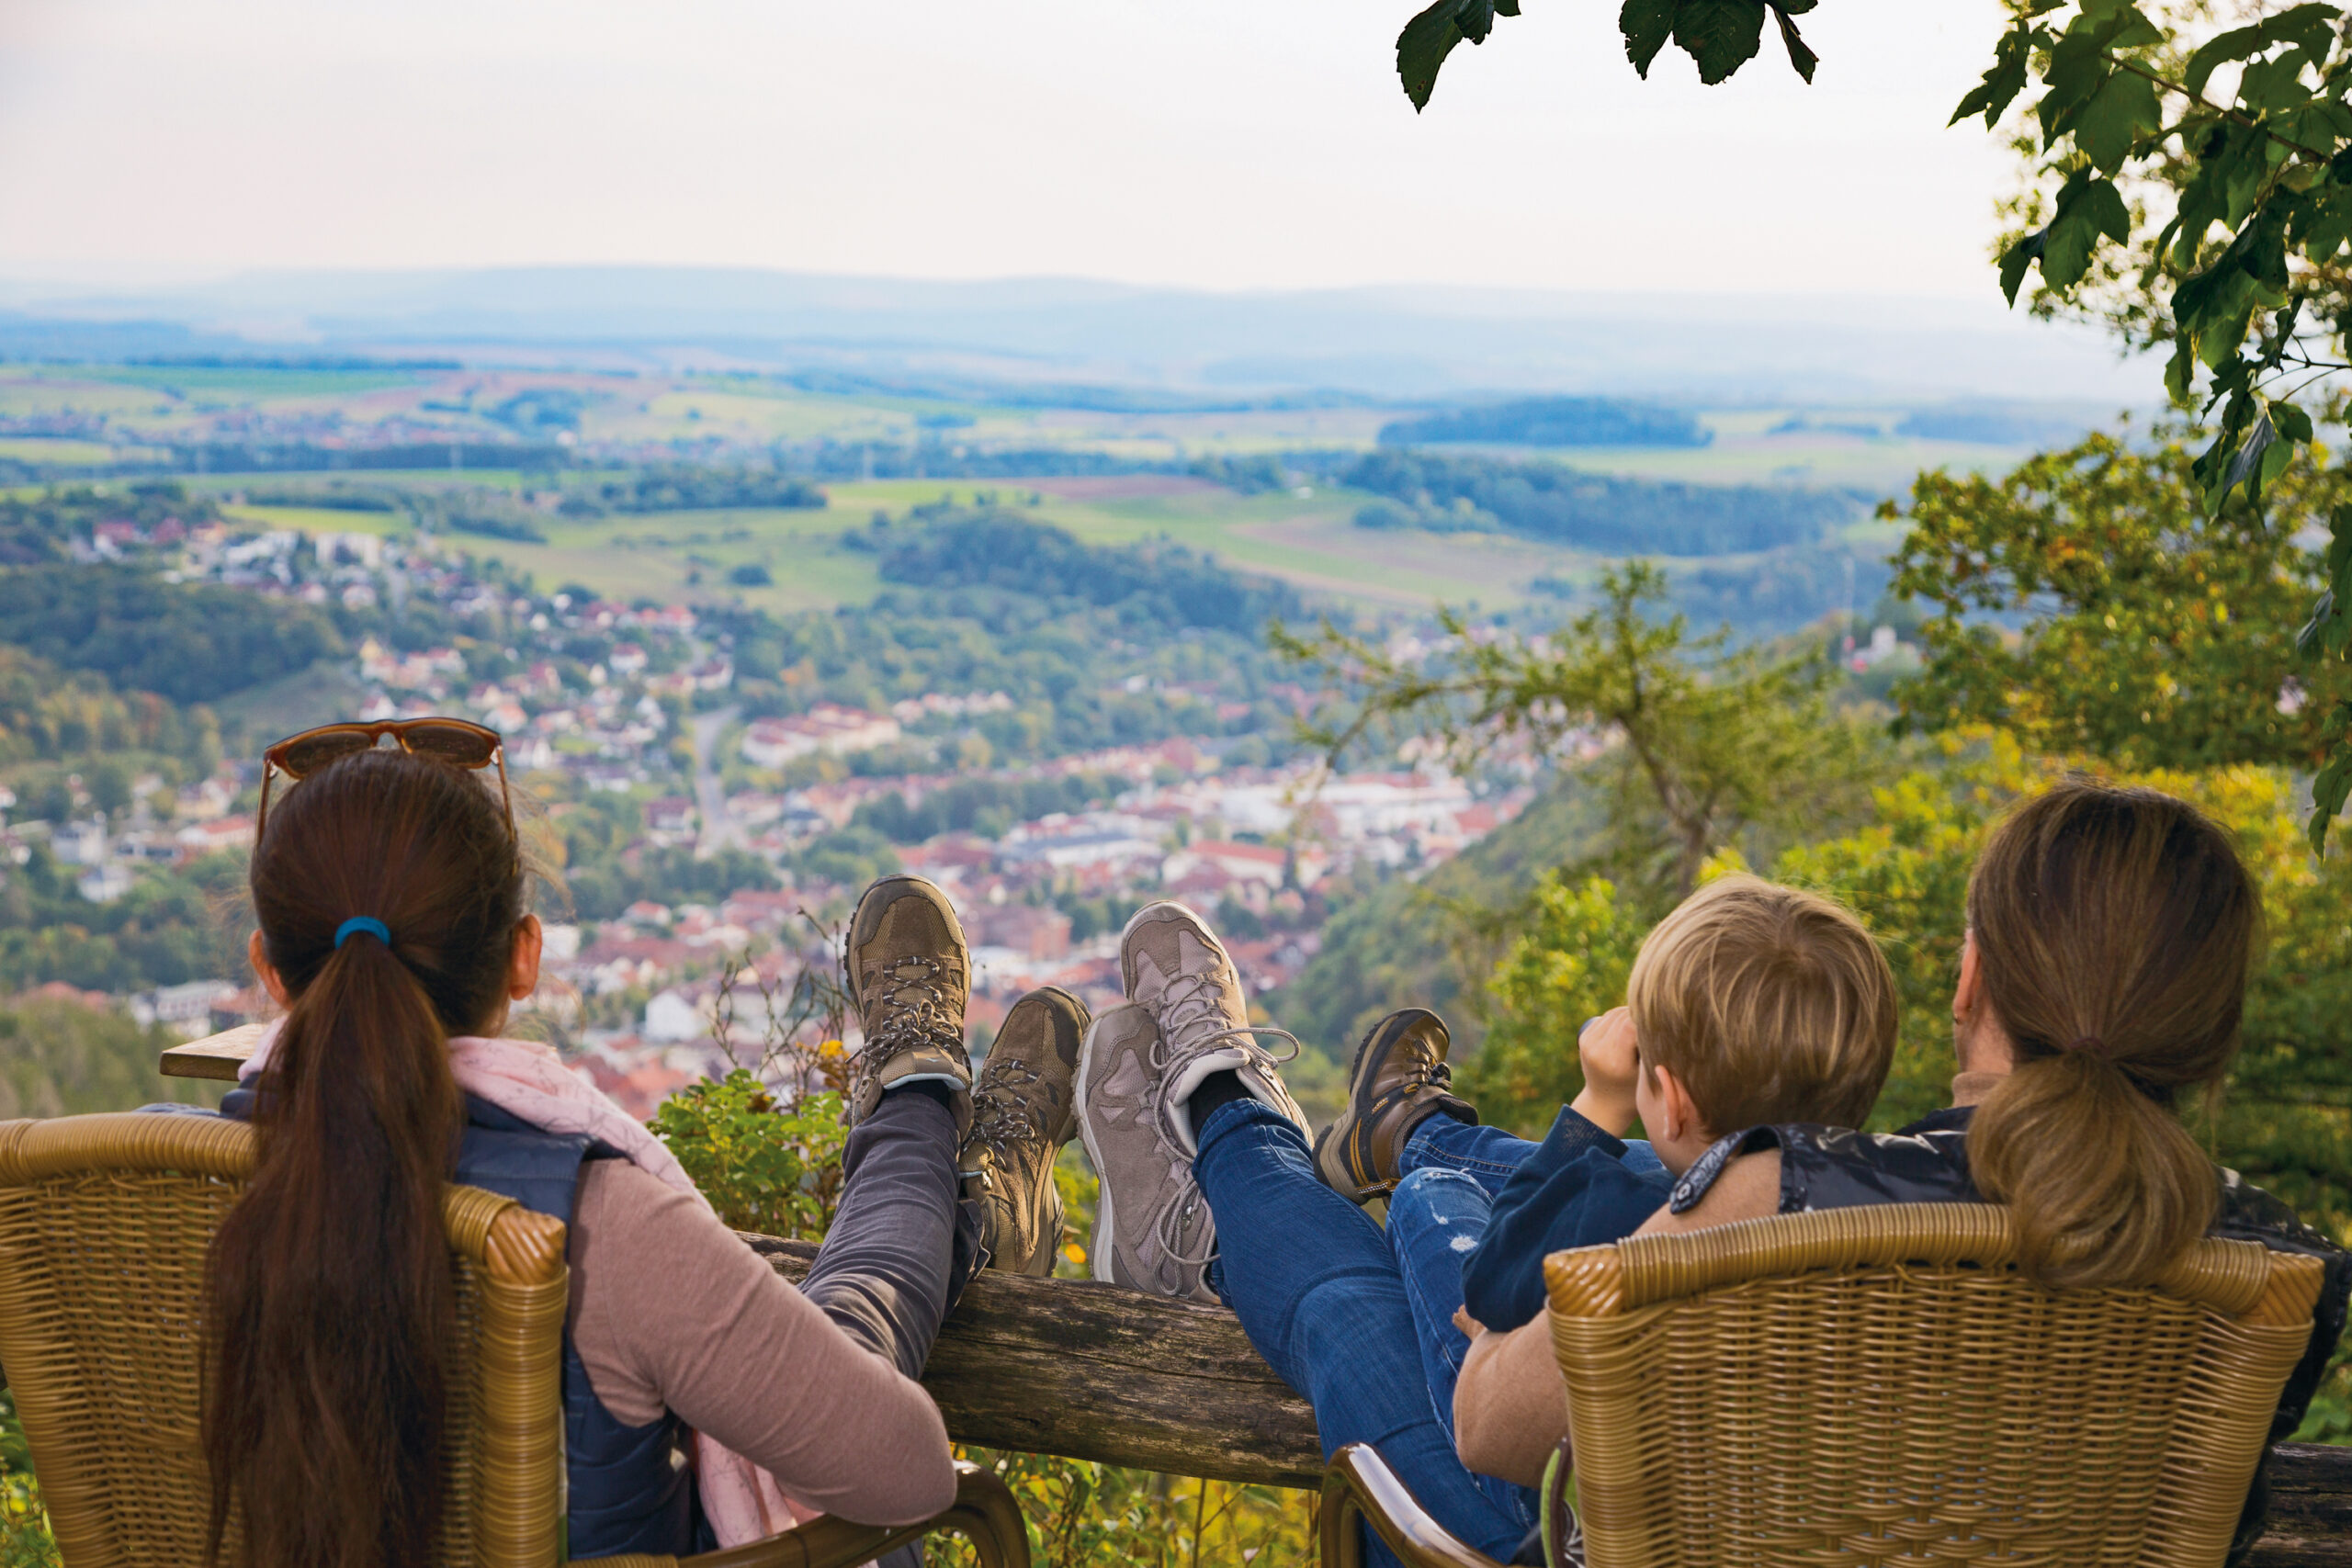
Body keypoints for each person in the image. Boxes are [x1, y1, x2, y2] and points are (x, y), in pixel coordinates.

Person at [196, 724, 1086, 1568]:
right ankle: (931, 1118)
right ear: (522, 957)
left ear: (269, 972)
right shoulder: (593, 1228)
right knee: (849, 1312)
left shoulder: (135, 1189)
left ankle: (936, 1126)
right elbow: (907, 1472)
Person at [1450, 780, 2351, 1568]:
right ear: (2208, 1035)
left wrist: (1494, 1332)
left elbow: (1491, 1429)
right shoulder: (2284, 1275)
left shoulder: (1783, 1196)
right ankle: (1419, 1147)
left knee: (1350, 1268)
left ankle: (1369, 1156)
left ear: (1969, 980)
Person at [1074, 878, 1899, 1566]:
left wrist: (1597, 1106)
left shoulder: (1628, 1244)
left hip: (1534, 1524)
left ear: (1669, 1096)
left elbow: (1496, 1316)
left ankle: (1237, 1144)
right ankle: (1328, 1137)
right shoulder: (1919, 1220)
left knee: (1407, 1235)